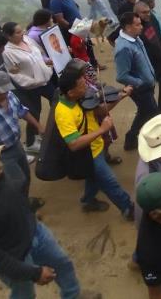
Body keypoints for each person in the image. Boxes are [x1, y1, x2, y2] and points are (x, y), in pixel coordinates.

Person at [0, 144, 100, 299]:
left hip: (37, 234)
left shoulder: (2, 177)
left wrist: (29, 215)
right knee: (24, 294)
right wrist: (35, 273)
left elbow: (19, 197)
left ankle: (73, 296)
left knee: (62, 263)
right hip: (16, 258)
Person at [54, 67, 135, 217]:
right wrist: (102, 130)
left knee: (93, 178)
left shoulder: (80, 98)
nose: (87, 86)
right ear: (70, 92)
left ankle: (88, 201)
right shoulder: (63, 113)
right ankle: (128, 208)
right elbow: (74, 144)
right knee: (111, 182)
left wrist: (121, 96)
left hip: (97, 147)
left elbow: (100, 111)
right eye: (82, 85)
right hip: (89, 154)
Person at [2, 21, 54, 153]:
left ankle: (57, 129)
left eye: (22, 30)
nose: (22, 33)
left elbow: (39, 54)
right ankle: (31, 142)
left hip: (45, 80)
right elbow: (14, 74)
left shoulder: (27, 39)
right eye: (18, 32)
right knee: (34, 112)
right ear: (9, 36)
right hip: (30, 87)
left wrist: (47, 63)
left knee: (57, 99)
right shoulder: (7, 52)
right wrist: (32, 81)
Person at [114, 12, 158, 151]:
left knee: (144, 112)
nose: (141, 27)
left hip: (147, 85)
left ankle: (131, 139)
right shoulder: (123, 48)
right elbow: (121, 76)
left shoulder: (136, 38)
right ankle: (144, 139)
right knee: (152, 113)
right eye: (137, 24)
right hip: (140, 89)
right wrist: (139, 82)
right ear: (128, 27)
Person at [135, 1, 161, 77]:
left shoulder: (150, 20)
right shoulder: (133, 28)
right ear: (136, 13)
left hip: (160, 60)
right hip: (150, 65)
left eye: (149, 12)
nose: (148, 14)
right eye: (144, 12)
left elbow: (157, 39)